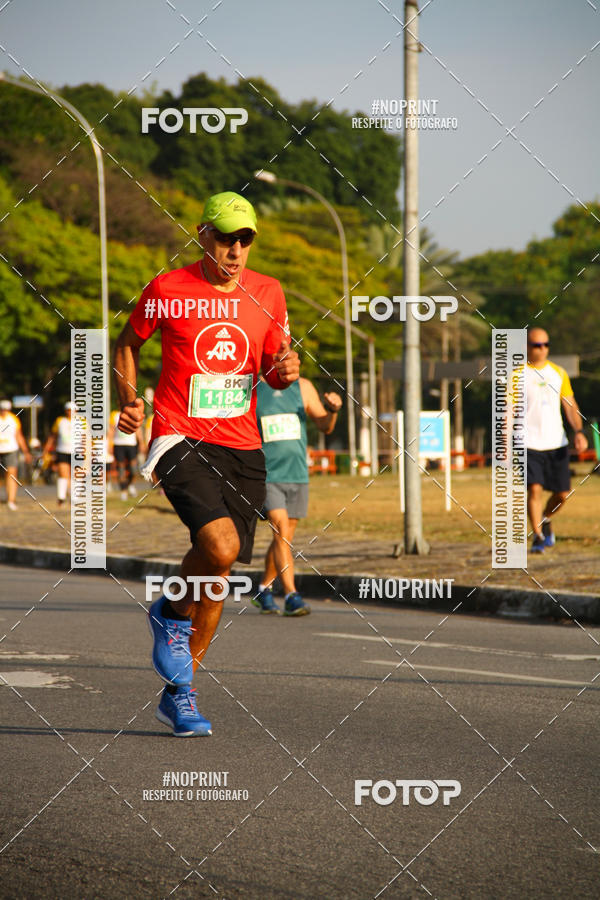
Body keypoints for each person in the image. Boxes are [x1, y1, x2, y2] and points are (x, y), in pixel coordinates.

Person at [114, 191, 299, 737]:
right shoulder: (168, 289)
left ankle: (182, 694)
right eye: (225, 238)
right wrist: (128, 399)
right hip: (180, 435)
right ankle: (170, 611)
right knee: (220, 548)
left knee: (218, 571)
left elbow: (275, 365)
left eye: (245, 239)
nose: (236, 249)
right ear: (202, 235)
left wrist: (285, 371)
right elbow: (127, 344)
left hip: (244, 446)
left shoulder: (268, 292)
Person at [254, 377, 342, 615]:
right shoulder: (252, 387)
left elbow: (325, 425)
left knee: (283, 538)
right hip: (267, 475)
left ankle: (263, 589)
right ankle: (292, 595)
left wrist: (332, 411)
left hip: (297, 473)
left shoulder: (302, 387)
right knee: (281, 531)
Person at [525, 328, 587, 553]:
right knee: (535, 490)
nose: (541, 349)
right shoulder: (517, 376)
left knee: (563, 493)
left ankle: (545, 518)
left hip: (556, 442)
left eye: (545, 344)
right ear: (527, 347)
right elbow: (509, 411)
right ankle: (538, 537)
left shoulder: (558, 373)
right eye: (536, 345)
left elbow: (570, 405)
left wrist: (578, 432)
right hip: (529, 442)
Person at [0, 400, 31, 511]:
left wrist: (26, 451)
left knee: (11, 474)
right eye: (2, 409)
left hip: (11, 449)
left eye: (6, 409)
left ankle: (11, 500)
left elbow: (19, 436)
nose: (4, 411)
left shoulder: (14, 419)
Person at [108, 409, 146, 500]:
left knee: (133, 469)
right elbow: (111, 430)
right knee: (121, 469)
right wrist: (109, 444)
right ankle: (123, 491)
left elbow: (138, 430)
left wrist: (141, 443)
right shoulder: (115, 415)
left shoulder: (134, 412)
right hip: (118, 444)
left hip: (131, 444)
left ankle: (130, 485)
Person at [43, 402, 73, 506]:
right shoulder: (60, 421)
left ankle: (74, 497)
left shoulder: (82, 422)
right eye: (68, 410)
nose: (70, 412)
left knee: (76, 476)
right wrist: (46, 449)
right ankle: (61, 498)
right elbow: (53, 437)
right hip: (62, 450)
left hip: (77, 452)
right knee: (63, 474)